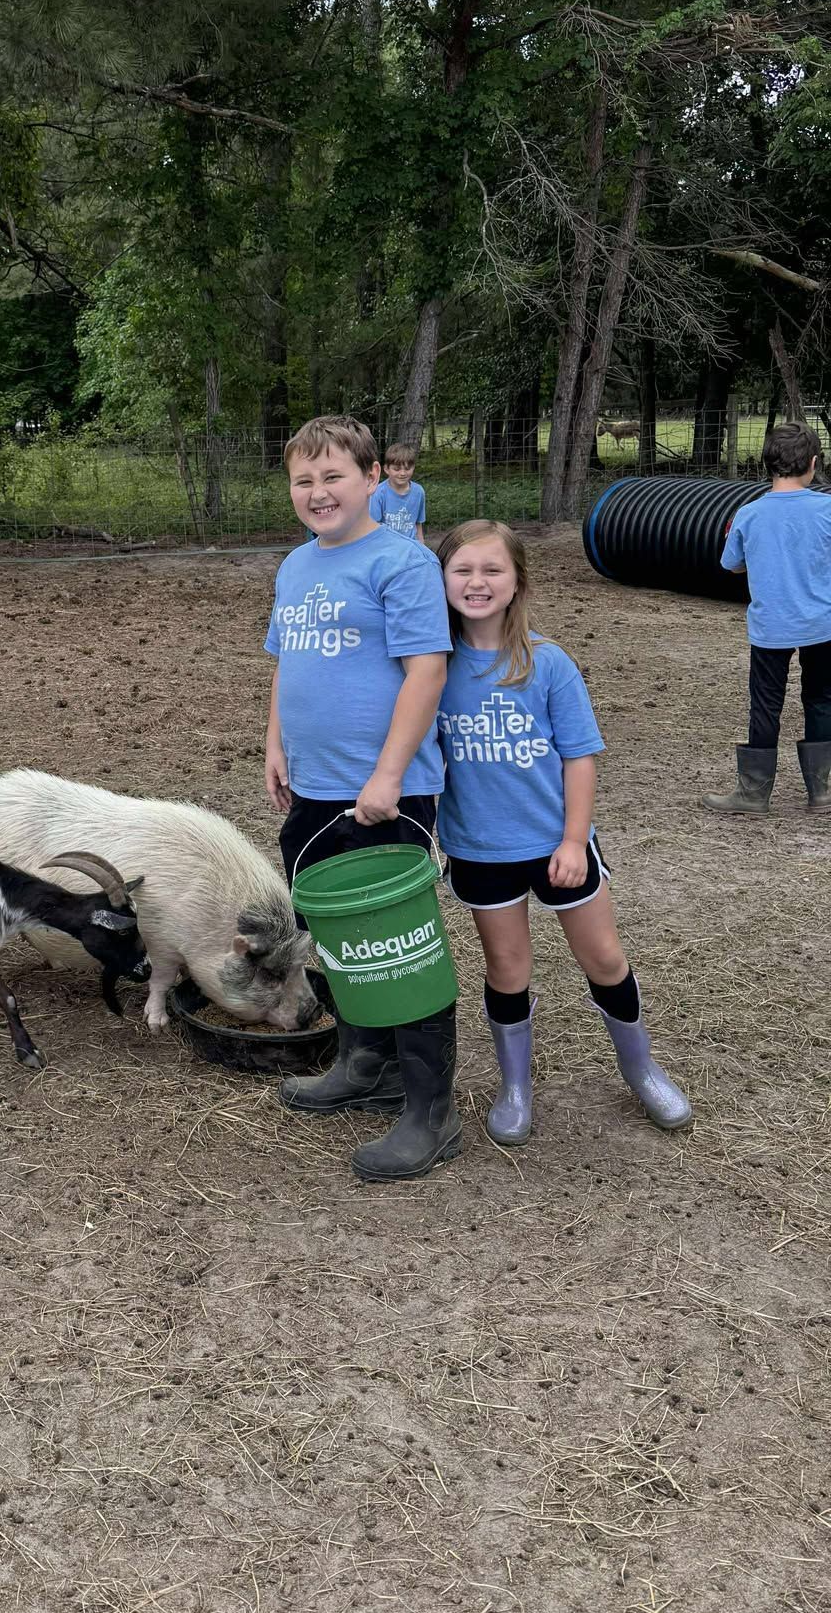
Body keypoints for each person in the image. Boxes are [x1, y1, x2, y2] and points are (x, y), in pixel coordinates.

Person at [434, 518, 691, 1145]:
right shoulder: (430, 670)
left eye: (492, 569)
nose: (477, 582)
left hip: (557, 846)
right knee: (507, 967)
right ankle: (516, 1086)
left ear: (518, 579)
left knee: (603, 957)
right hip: (480, 848)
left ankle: (641, 1068)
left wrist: (575, 840)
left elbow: (580, 756)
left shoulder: (546, 664)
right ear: (440, 579)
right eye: (462, 569)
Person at [263, 414, 456, 1181]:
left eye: (334, 477)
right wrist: (276, 742)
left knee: (398, 947)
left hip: (385, 791)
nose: (318, 492)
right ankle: (364, 1063)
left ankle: (430, 1110)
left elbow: (427, 672)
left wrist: (387, 776)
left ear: (374, 479)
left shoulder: (400, 563)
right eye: (303, 481)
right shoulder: (295, 568)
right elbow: (285, 662)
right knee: (333, 932)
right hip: (313, 786)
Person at [703, 422, 831, 815]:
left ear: (768, 465)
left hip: (770, 628)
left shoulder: (748, 513)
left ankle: (754, 793)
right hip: (822, 626)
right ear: (813, 463)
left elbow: (732, 566)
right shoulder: (828, 509)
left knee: (765, 704)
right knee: (822, 700)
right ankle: (823, 792)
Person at [369, 443, 427, 542]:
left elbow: (418, 524)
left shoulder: (419, 492)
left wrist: (422, 547)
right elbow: (374, 527)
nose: (402, 473)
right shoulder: (378, 493)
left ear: (413, 467)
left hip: (411, 545)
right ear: (386, 469)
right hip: (387, 545)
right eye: (396, 469)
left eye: (407, 468)